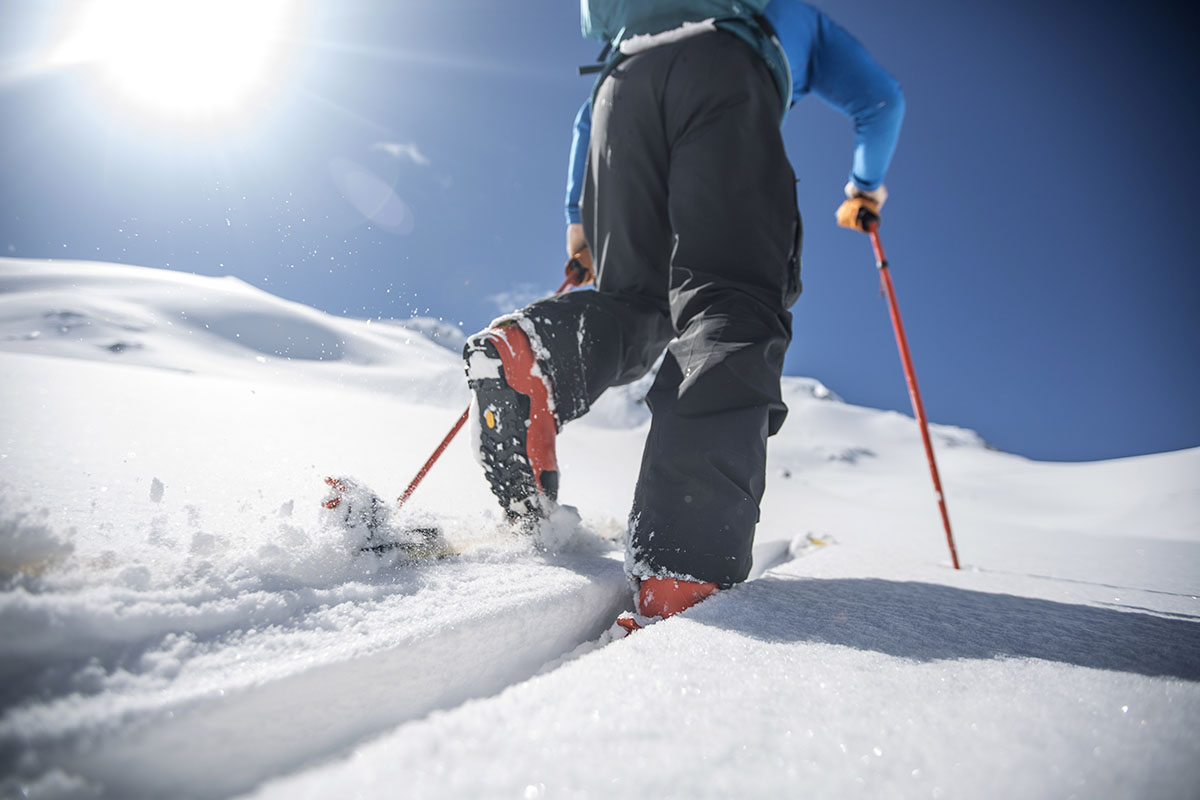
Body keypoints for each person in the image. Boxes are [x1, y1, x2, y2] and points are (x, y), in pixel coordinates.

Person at [463, 0, 904, 623]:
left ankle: (533, 357)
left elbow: (585, 121)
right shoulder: (788, 13)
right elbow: (881, 101)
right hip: (726, 75)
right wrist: (865, 188)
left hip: (621, 90)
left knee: (635, 300)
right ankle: (683, 563)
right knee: (732, 295)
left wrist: (578, 224)